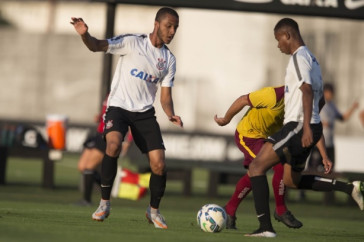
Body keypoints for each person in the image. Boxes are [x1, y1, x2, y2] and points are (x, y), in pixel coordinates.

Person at [245, 18, 364, 238]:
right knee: (291, 181)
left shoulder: (298, 58)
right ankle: (350, 189)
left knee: (256, 167)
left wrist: (306, 128)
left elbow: (307, 92)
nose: (278, 45)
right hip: (309, 127)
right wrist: (321, 147)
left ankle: (265, 228)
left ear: (287, 35)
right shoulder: (313, 60)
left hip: (297, 126)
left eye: (278, 39)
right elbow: (320, 105)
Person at [70, 7, 183, 229]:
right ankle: (104, 203)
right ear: (156, 24)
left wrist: (170, 114)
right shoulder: (132, 42)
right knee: (112, 146)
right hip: (118, 108)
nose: (172, 31)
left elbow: (165, 96)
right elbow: (97, 46)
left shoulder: (169, 59)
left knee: (159, 164)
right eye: (169, 25)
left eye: (175, 27)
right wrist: (84, 34)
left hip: (144, 114)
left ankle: (153, 211)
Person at [214, 86, 303, 229]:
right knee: (278, 165)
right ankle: (281, 210)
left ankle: (230, 210)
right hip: (248, 135)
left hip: (265, 138)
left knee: (254, 173)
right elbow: (243, 100)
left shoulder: (300, 105)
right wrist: (226, 119)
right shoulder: (273, 95)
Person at [301, 83, 359, 202]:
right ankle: (301, 193)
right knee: (312, 169)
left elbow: (342, 118)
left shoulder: (332, 106)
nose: (331, 95)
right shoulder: (320, 105)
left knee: (329, 170)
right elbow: (313, 119)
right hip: (319, 143)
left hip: (330, 144)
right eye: (329, 92)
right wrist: (324, 123)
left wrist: (353, 108)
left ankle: (329, 196)